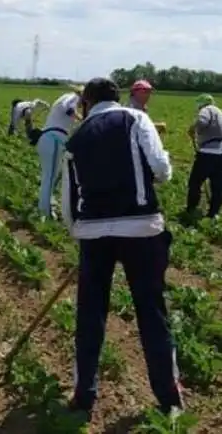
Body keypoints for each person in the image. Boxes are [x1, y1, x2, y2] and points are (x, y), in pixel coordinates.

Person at [60, 77, 185, 424]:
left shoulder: (77, 138)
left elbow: (68, 201)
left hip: (94, 235)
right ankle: (169, 401)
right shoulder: (137, 119)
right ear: (117, 98)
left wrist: (82, 234)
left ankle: (84, 396)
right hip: (142, 230)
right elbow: (162, 172)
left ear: (87, 103)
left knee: (90, 316)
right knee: (152, 314)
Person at [34, 85, 83, 218]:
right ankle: (45, 211)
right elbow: (69, 109)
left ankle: (46, 204)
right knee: (50, 177)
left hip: (50, 138)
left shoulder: (66, 98)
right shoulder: (73, 97)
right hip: (54, 138)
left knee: (51, 176)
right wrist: (83, 120)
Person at [184, 93, 222, 220]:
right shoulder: (221, 112)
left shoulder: (206, 110)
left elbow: (202, 122)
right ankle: (214, 213)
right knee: (218, 182)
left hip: (209, 152)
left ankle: (191, 208)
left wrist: (193, 129)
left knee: (195, 182)